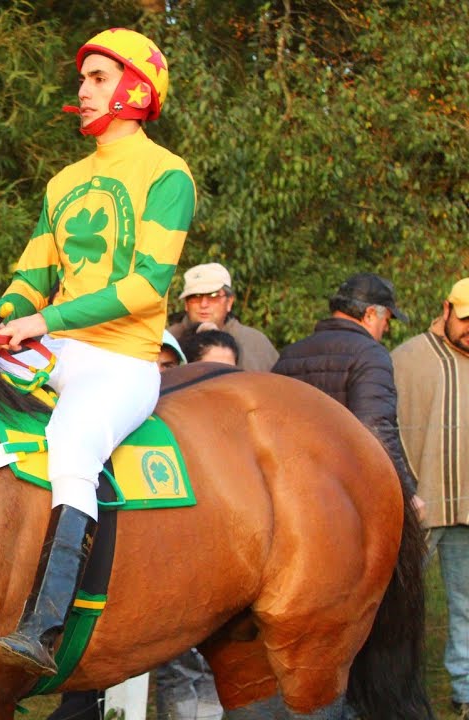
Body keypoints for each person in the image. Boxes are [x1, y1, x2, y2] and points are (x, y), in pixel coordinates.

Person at [0, 27, 195, 674]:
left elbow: (146, 284)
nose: (83, 89)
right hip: (57, 347)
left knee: (70, 445)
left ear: (135, 88)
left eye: (98, 78)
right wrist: (5, 314)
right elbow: (31, 274)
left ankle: (44, 625)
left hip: (123, 360)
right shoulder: (64, 180)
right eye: (84, 79)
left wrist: (42, 321)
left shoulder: (168, 175)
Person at [392, 277, 469, 716]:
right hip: (419, 506)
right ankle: (396, 693)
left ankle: (464, 691)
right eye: (466, 318)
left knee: (467, 607)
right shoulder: (405, 358)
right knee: (399, 608)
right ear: (446, 309)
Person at [272, 273, 419, 500]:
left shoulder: (289, 354)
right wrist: (406, 494)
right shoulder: (370, 355)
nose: (386, 328)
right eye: (387, 320)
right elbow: (376, 430)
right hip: (346, 497)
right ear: (370, 314)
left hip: (291, 492)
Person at [167, 262, 278, 371]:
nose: (203, 304)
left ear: (229, 302)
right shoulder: (167, 340)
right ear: (186, 304)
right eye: (195, 297)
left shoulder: (255, 343)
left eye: (213, 296)